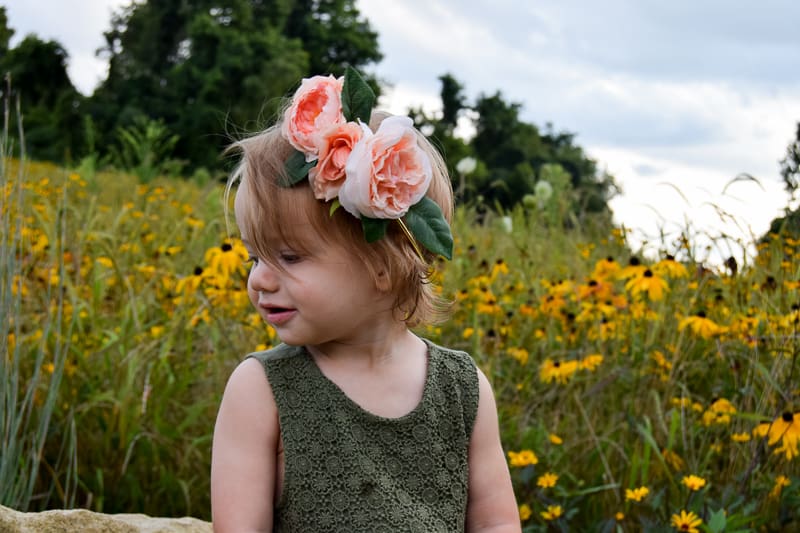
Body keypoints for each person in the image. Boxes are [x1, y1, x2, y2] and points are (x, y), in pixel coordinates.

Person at [210, 69, 521, 532]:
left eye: (290, 257)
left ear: (383, 265)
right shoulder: (263, 391)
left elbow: (497, 524)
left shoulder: (461, 390)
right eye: (255, 256)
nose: (259, 280)